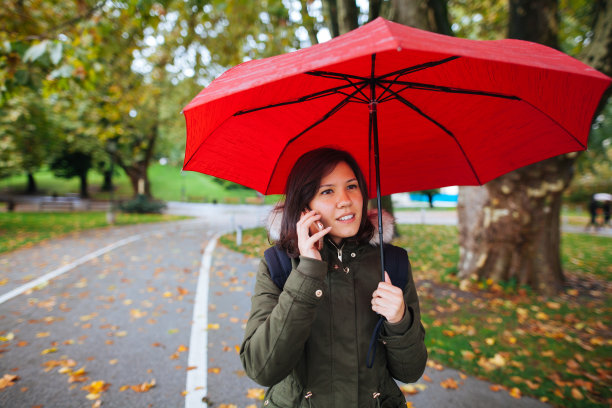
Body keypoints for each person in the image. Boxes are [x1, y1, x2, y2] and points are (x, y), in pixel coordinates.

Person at [240, 148, 427, 407]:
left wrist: (399, 321)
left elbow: (410, 372)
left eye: (352, 186)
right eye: (327, 191)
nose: (345, 200)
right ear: (305, 206)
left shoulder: (392, 263)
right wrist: (306, 275)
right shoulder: (279, 264)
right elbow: (261, 368)